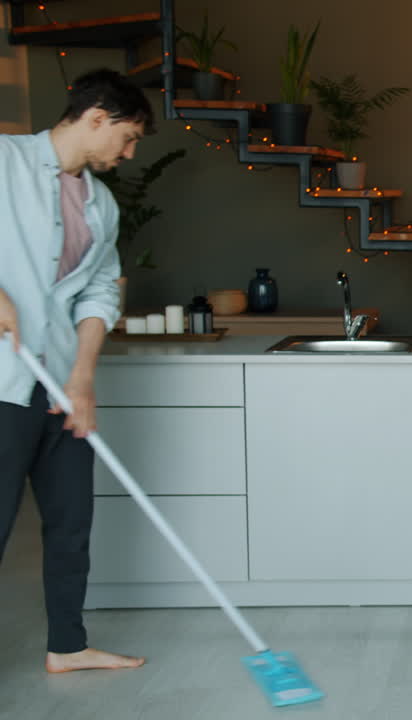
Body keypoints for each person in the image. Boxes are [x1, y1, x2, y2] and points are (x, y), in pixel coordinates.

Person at [0, 69, 153, 672]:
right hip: (5, 382)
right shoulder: (5, 161)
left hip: (61, 384)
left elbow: (97, 295)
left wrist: (83, 376)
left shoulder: (102, 203)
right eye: (129, 136)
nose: (130, 152)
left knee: (71, 524)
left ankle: (68, 646)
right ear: (96, 118)